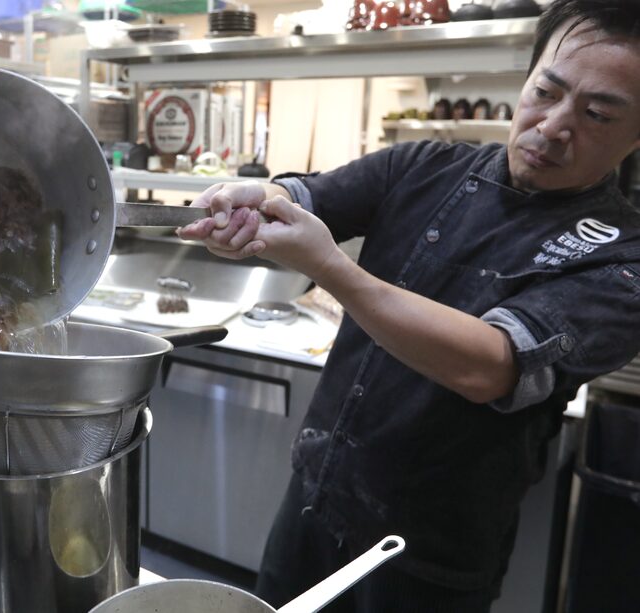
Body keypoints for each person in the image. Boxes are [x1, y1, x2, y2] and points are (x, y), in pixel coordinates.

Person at [177, 1, 640, 610]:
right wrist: (257, 198)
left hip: (428, 556)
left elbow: (492, 365)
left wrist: (331, 267)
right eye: (545, 91)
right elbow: (310, 193)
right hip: (316, 499)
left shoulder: (622, 257)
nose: (553, 125)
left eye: (597, 113)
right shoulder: (424, 166)